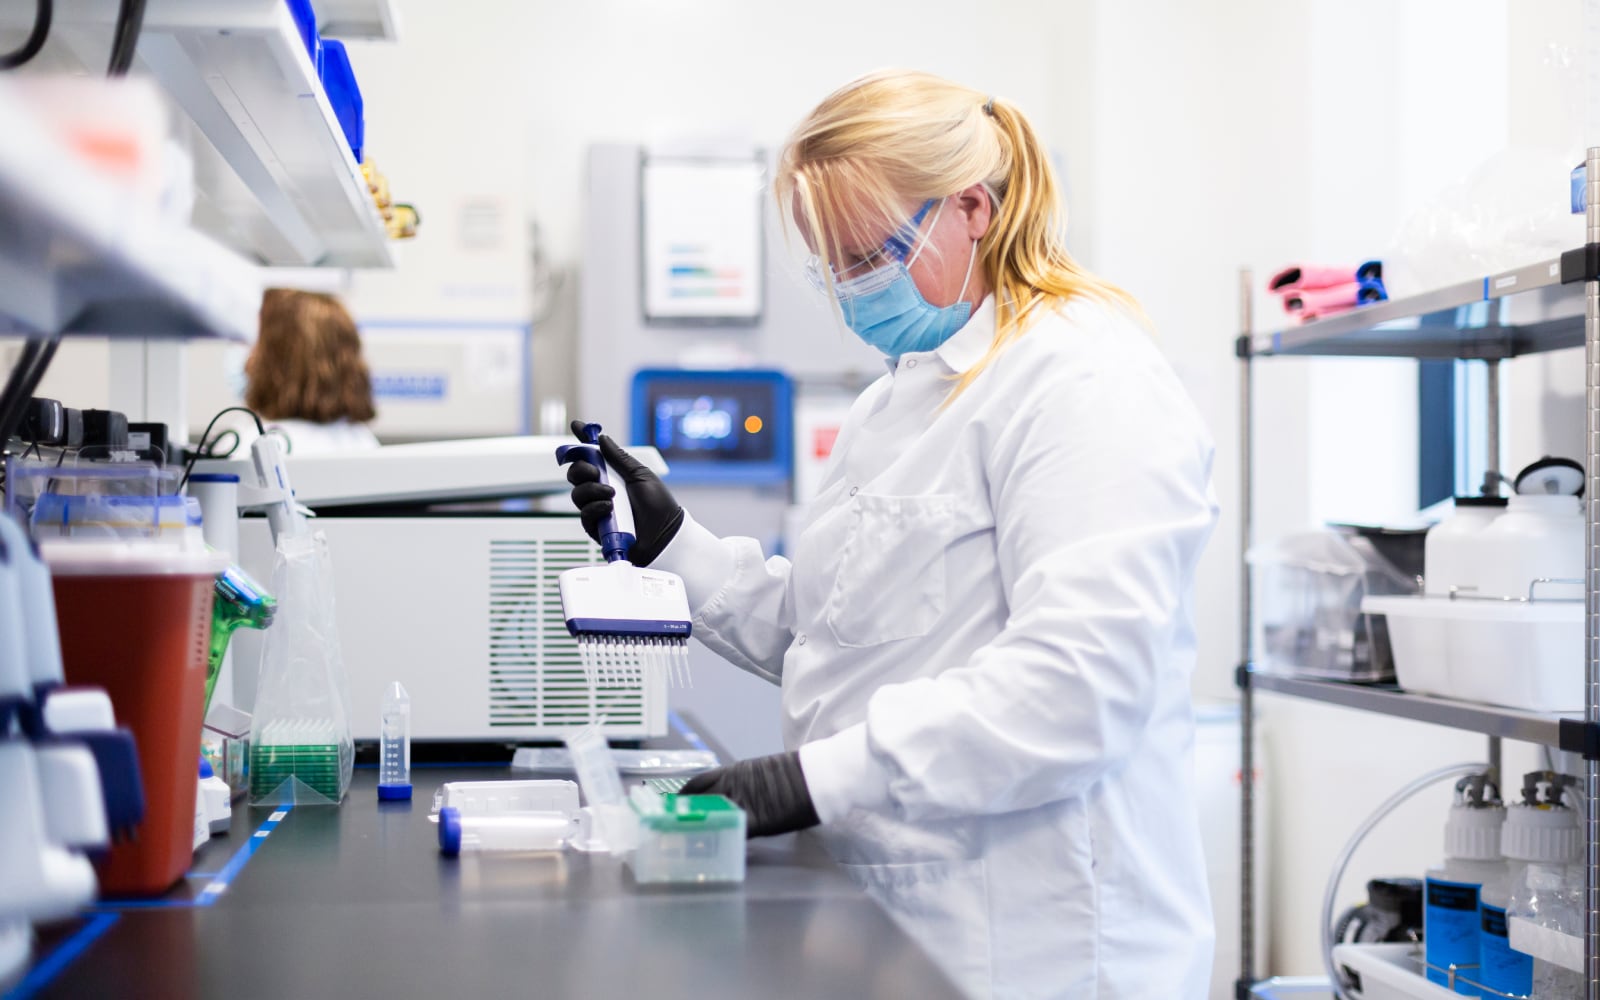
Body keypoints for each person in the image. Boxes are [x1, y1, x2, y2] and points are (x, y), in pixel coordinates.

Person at [566, 69, 1217, 999]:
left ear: (974, 209)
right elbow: (841, 638)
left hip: (1043, 942)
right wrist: (680, 551)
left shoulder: (1083, 382)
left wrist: (809, 779)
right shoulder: (900, 398)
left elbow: (1080, 686)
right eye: (830, 262)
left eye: (869, 254)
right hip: (900, 921)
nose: (849, 287)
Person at [241, 288, 380, 455]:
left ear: (275, 357)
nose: (249, 356)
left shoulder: (250, 447)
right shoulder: (362, 442)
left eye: (256, 344)